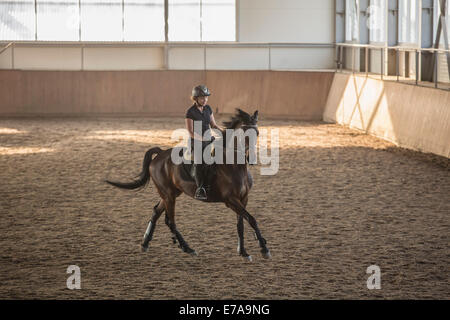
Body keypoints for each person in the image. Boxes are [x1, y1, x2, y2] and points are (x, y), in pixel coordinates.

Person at [185, 85, 223, 200]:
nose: (205, 100)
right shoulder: (190, 112)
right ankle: (200, 188)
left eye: (206, 97)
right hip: (196, 142)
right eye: (202, 98)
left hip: (208, 140)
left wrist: (225, 133)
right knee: (199, 161)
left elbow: (213, 125)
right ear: (195, 98)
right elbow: (190, 132)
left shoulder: (208, 109)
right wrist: (202, 139)